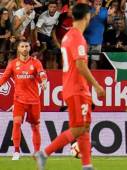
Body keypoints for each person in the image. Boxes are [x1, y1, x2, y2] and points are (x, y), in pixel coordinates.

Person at [35, 3, 105, 170]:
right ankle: (44, 153)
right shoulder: (77, 38)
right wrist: (96, 85)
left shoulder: (67, 36)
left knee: (84, 126)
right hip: (77, 88)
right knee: (78, 128)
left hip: (74, 87)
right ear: (87, 17)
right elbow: (81, 65)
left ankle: (87, 165)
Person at [0, 40, 47, 160]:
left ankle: (36, 152)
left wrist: (44, 81)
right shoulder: (13, 64)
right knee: (16, 123)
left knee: (35, 127)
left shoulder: (36, 62)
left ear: (30, 48)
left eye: (27, 46)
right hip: (19, 100)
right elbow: (4, 78)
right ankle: (16, 151)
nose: (25, 48)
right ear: (18, 49)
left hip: (34, 101)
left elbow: (42, 73)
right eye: (22, 46)